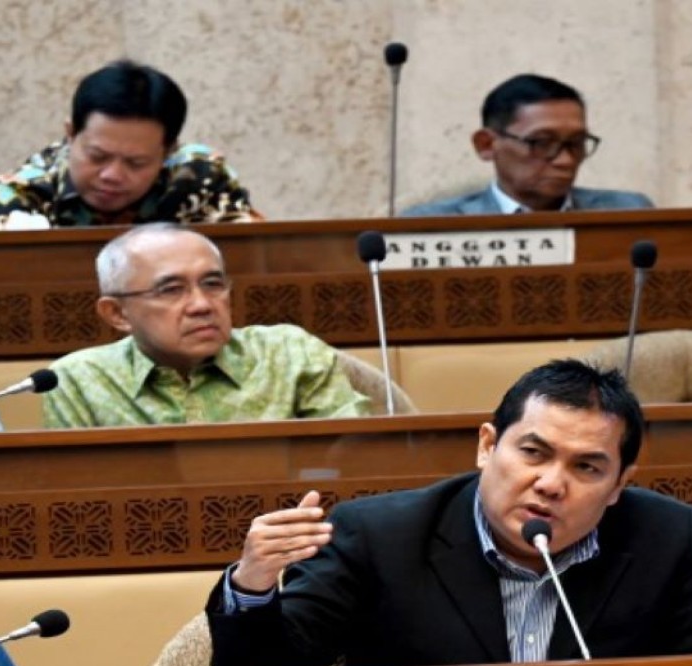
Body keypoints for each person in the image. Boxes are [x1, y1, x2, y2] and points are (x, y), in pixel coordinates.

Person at [207, 359, 692, 666]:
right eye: (533, 452)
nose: (552, 483)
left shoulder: (666, 536)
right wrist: (253, 583)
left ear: (620, 484)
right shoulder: (380, 537)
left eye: (587, 467)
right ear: (487, 446)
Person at [43, 224, 369, 427]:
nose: (201, 305)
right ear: (117, 313)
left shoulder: (289, 354)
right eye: (171, 290)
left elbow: (353, 462)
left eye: (213, 284)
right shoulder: (78, 380)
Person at [0, 60, 259, 229]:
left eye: (136, 163)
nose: (112, 176)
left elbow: (255, 259)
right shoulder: (20, 196)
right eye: (98, 157)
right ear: (71, 134)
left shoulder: (199, 178)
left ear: (168, 151)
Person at [402, 74, 653, 216]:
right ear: (487, 144)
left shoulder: (626, 212)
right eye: (541, 143)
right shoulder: (432, 223)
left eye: (576, 143)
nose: (565, 160)